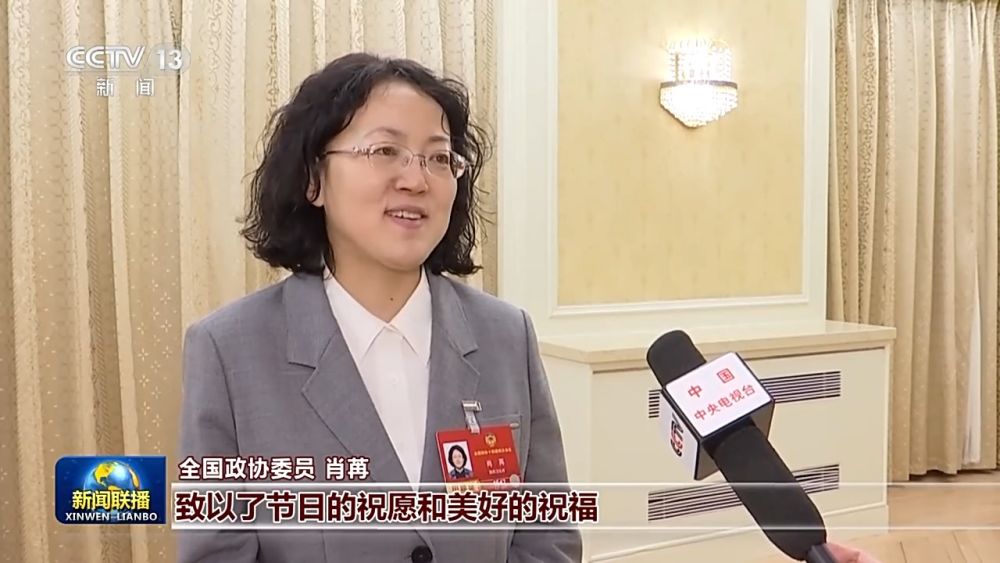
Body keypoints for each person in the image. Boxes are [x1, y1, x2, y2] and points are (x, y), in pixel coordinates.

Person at [177, 53, 581, 562]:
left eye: (439, 158)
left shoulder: (506, 334)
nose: (416, 179)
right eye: (386, 150)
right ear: (314, 179)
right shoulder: (228, 350)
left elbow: (547, 540)